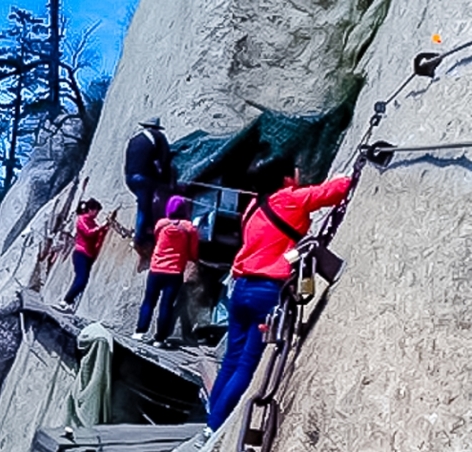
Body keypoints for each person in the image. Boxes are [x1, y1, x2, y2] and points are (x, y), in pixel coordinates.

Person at [205, 162, 352, 433]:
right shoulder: (287, 199)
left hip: (242, 287)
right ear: (285, 179)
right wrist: (346, 176)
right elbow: (336, 191)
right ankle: (215, 427)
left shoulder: (253, 206)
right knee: (247, 364)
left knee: (231, 360)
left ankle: (211, 419)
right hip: (268, 290)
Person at [131, 195, 198, 347]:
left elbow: (157, 238)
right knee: (166, 305)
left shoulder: (161, 224)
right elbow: (193, 251)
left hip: (156, 269)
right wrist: (191, 258)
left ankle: (140, 332)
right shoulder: (189, 228)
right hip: (175, 272)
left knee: (148, 301)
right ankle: (160, 339)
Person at [124, 117, 173, 270]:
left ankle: (148, 230)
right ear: (156, 128)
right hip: (143, 178)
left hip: (129, 178)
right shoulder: (158, 137)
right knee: (145, 208)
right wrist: (165, 179)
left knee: (144, 202)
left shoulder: (134, 139)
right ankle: (141, 239)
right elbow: (164, 160)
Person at [55, 199, 111, 312]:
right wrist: (101, 227)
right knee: (81, 279)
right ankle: (66, 301)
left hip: (88, 255)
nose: (96, 214)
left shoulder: (92, 222)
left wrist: (105, 227)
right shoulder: (82, 219)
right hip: (81, 253)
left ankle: (69, 303)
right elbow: (88, 233)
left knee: (83, 280)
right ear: (90, 210)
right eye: (96, 211)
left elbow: (97, 234)